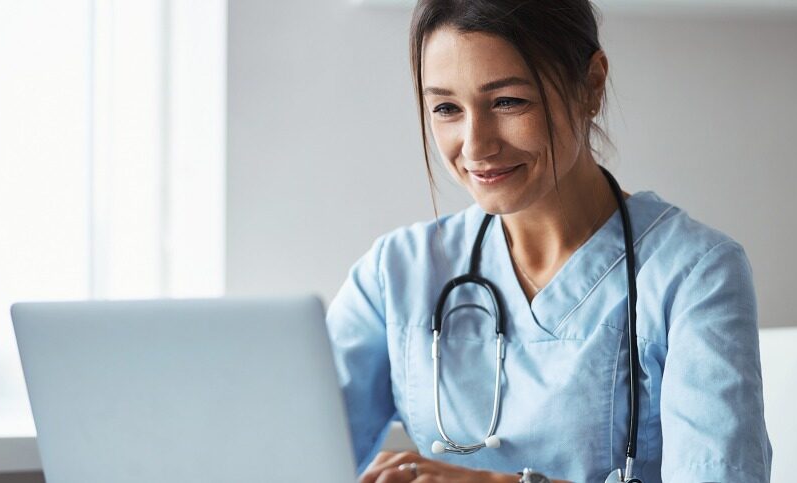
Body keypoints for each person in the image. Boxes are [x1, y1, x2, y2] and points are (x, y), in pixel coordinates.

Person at [325, 1, 773, 482]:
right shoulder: (396, 273)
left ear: (591, 86)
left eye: (508, 102)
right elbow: (283, 450)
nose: (476, 146)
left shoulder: (694, 273)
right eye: (447, 109)